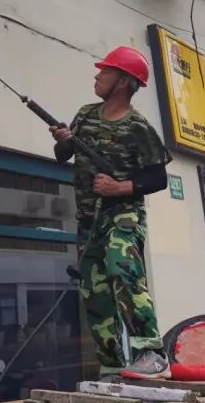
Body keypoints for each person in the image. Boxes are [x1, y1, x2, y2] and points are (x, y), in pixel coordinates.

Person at [51, 46, 172, 379]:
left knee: (122, 268)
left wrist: (119, 188)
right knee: (94, 290)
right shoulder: (86, 114)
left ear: (122, 81)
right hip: (89, 220)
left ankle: (152, 353)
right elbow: (63, 154)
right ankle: (113, 364)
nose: (97, 75)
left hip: (123, 216)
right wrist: (63, 139)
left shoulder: (138, 127)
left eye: (104, 71)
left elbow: (158, 178)